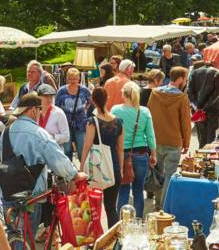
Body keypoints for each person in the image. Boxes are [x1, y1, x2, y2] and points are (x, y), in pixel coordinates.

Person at [2, 94, 87, 235]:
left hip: (7, 193)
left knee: (14, 236)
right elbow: (58, 160)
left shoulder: (6, 132)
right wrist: (75, 175)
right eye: (39, 109)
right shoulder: (38, 133)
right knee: (27, 238)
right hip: (32, 194)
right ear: (33, 110)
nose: (40, 113)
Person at [147, 66, 191, 208]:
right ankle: (165, 205)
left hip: (156, 139)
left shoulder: (155, 93)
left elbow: (149, 116)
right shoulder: (181, 97)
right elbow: (185, 122)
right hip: (174, 141)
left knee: (158, 173)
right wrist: (186, 142)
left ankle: (159, 203)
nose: (186, 81)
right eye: (185, 78)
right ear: (180, 79)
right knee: (170, 175)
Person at [80, 87, 124, 225]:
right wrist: (121, 169)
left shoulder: (92, 122)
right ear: (107, 99)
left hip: (96, 169)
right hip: (114, 168)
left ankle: (95, 240)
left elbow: (86, 147)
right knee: (111, 208)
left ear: (93, 100)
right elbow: (120, 149)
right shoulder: (119, 122)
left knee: (93, 207)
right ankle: (115, 241)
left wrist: (81, 168)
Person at [111, 82, 156, 213]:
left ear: (123, 94)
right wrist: (153, 153)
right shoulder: (144, 111)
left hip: (121, 155)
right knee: (138, 190)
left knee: (123, 189)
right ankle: (138, 221)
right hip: (141, 154)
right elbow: (150, 135)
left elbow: (113, 133)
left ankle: (121, 223)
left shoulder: (115, 110)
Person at [55, 67, 92, 159]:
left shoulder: (84, 90)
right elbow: (56, 106)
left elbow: (90, 101)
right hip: (65, 123)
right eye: (71, 78)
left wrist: (84, 109)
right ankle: (68, 170)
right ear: (67, 78)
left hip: (81, 123)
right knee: (67, 149)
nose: (73, 81)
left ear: (79, 78)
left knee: (81, 148)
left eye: (75, 78)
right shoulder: (61, 91)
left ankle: (83, 169)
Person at [187, 59, 219, 146]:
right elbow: (216, 94)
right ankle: (207, 156)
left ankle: (201, 156)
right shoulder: (218, 73)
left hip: (198, 109)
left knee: (202, 137)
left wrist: (197, 107)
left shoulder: (195, 72)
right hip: (212, 109)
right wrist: (202, 108)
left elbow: (189, 92)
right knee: (211, 137)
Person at [36, 84, 70, 153]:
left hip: (54, 151)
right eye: (46, 96)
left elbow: (66, 137)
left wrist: (52, 137)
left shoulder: (58, 113)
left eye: (51, 96)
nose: (49, 100)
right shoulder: (35, 112)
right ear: (38, 97)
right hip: (39, 151)